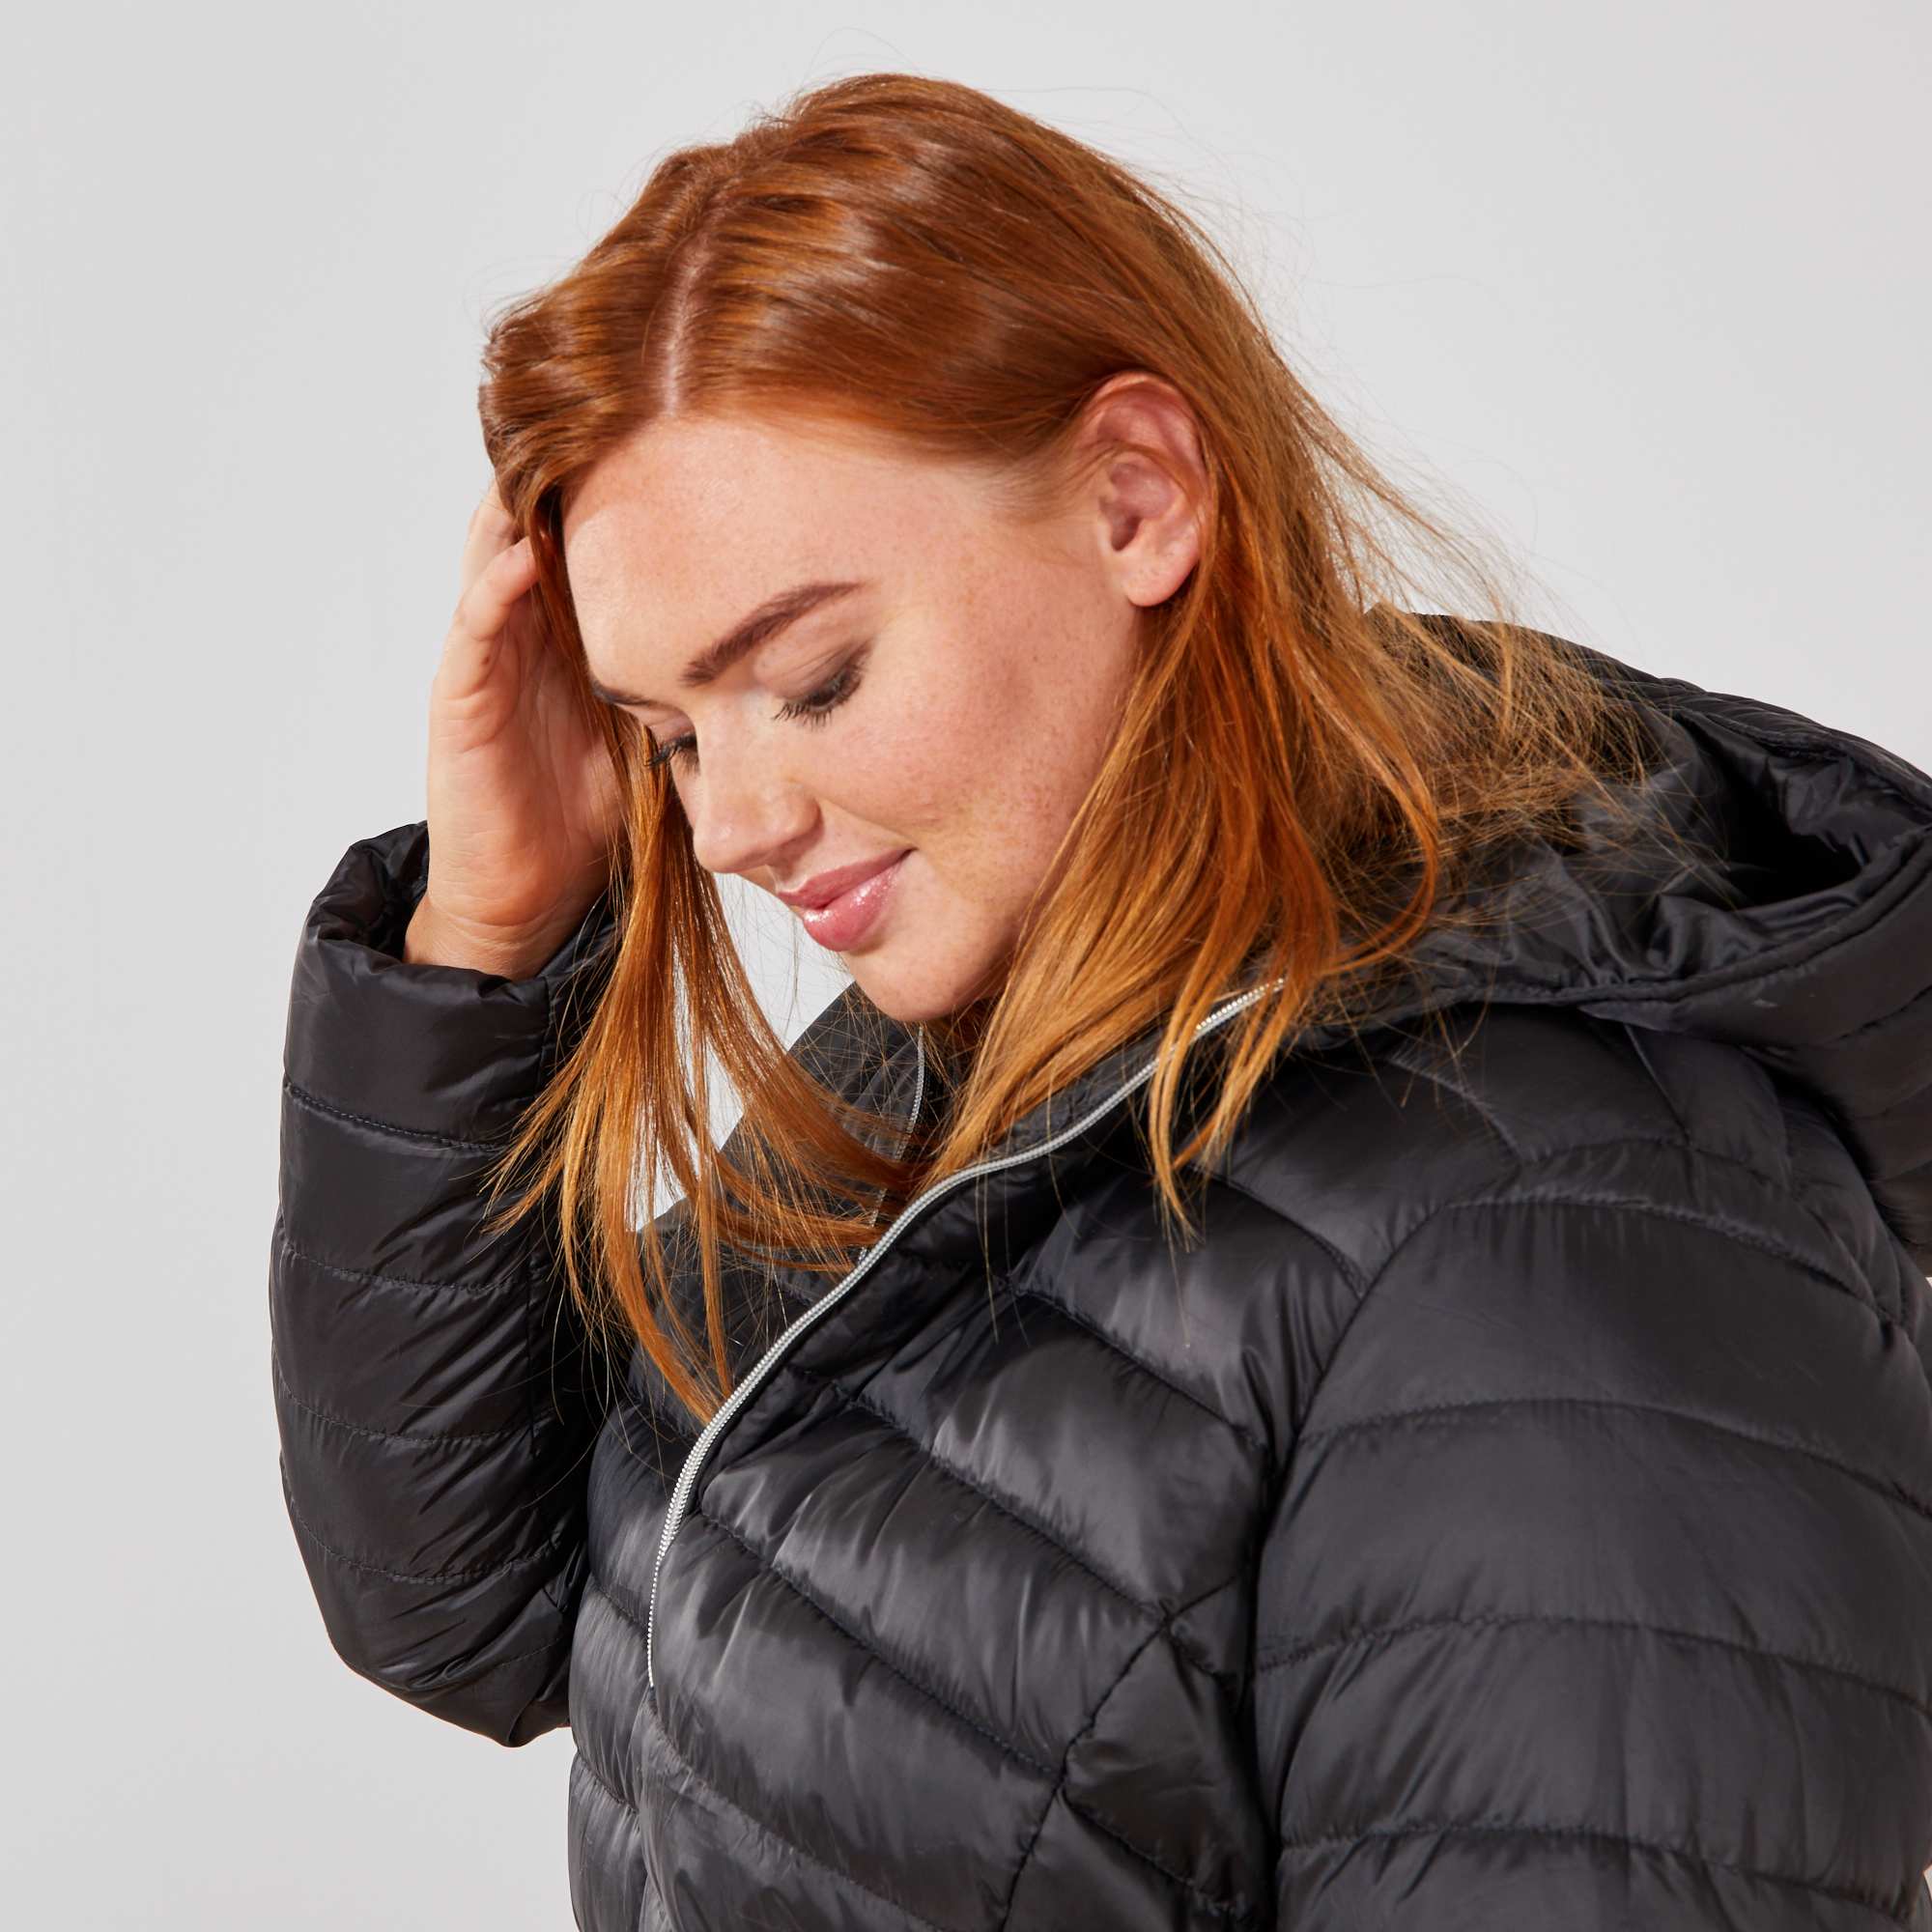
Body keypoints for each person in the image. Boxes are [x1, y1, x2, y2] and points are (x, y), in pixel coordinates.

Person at [270, 71, 1932, 1932]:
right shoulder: (986, 1048)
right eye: (669, 735)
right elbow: (469, 1606)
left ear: (1138, 497)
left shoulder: (1570, 1231)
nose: (728, 827)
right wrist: (488, 935)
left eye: (814, 681)